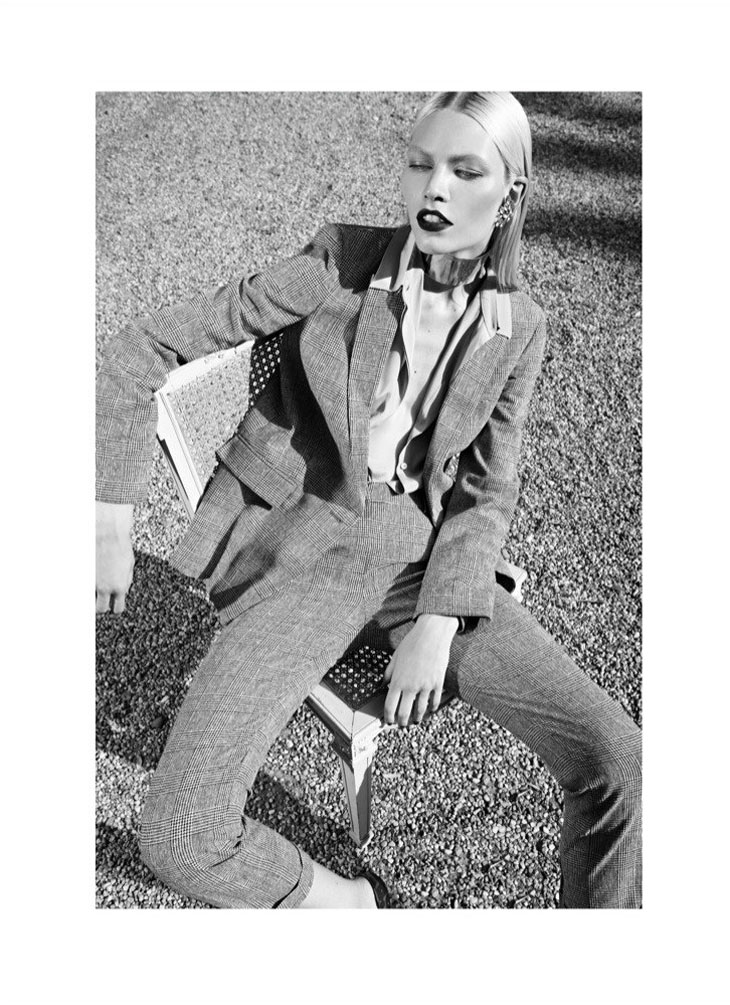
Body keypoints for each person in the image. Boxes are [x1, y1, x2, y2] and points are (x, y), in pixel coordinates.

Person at [96, 91, 642, 909]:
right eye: (420, 164)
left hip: (426, 563)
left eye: (465, 171)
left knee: (622, 766)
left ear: (511, 194)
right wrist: (108, 516)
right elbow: (143, 347)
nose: (434, 188)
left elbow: (486, 487)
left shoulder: (517, 325)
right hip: (305, 555)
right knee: (181, 834)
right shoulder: (341, 261)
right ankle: (354, 906)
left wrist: (440, 617)